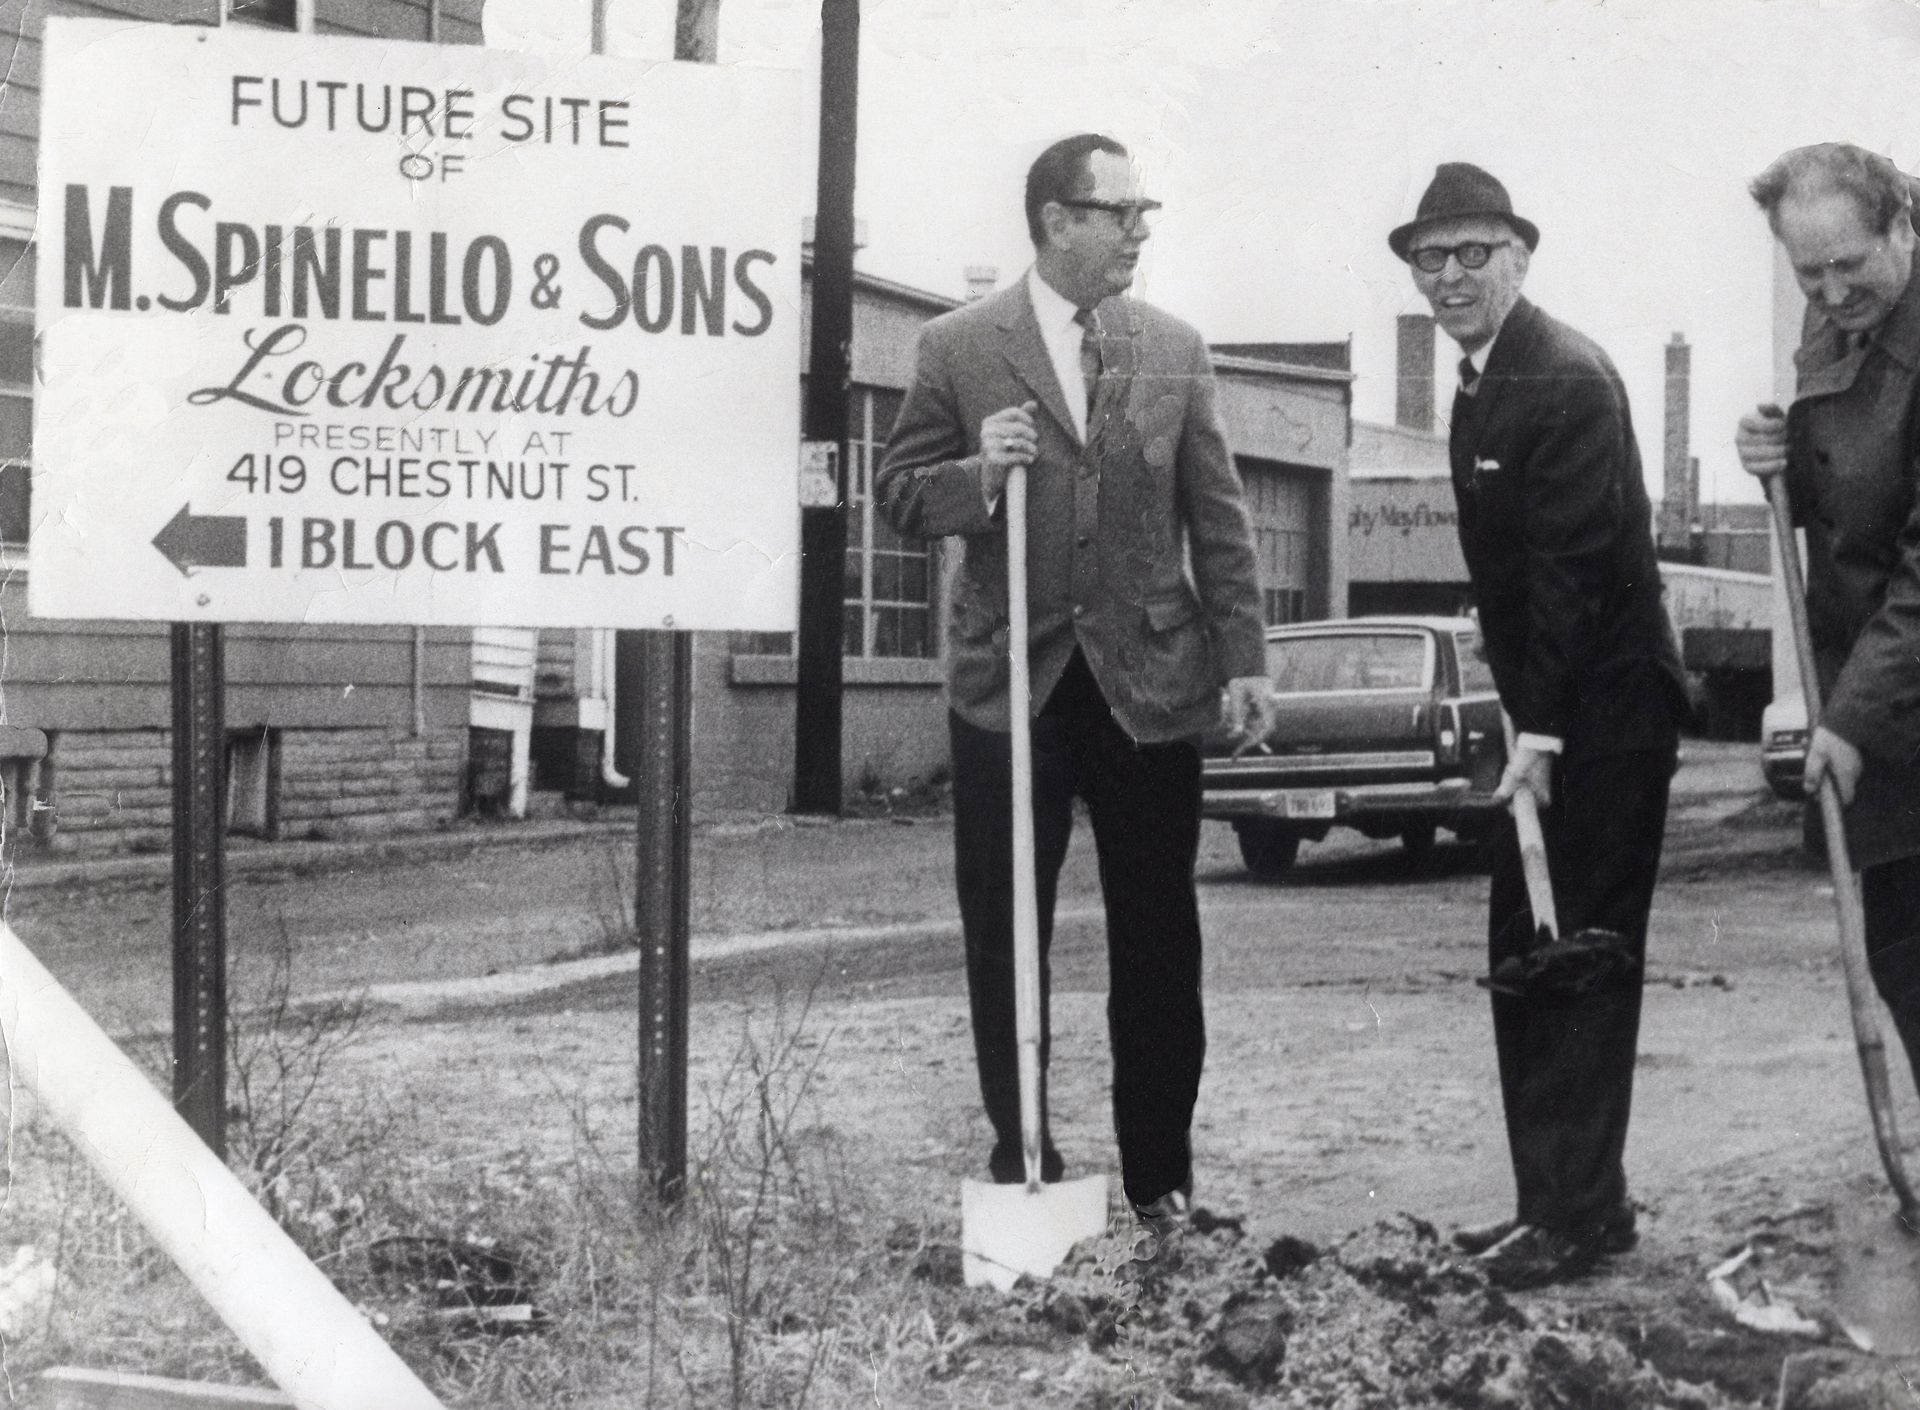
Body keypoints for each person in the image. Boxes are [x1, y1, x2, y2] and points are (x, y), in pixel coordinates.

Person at [875, 133, 1274, 1240]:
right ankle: (1028, 1169)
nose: (1141, 227)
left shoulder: (1176, 350)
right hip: (1012, 688)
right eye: (1123, 209)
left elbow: (1222, 520)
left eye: (1146, 210)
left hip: (1150, 684)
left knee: (1159, 942)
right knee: (1007, 935)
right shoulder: (958, 349)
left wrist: (1245, 661)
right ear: (1056, 219)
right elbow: (899, 494)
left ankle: (1162, 1188)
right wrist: (973, 475)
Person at [1389, 162, 1688, 1288]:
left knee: (1579, 959)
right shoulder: (1483, 381)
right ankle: (1568, 1204)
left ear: (1520, 256)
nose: (1453, 274)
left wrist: (1542, 733)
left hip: (1601, 721)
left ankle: (1568, 1217)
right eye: (1433, 257)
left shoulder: (1563, 377)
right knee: (1529, 951)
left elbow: (1571, 571)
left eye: (1475, 252)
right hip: (1557, 711)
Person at [1735, 142, 1920, 1098]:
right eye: (1810, 271)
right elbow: (1841, 501)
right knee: (1904, 956)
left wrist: (1848, 720)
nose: (1832, 290)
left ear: (1903, 225)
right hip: (1881, 703)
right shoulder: (1835, 322)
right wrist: (1773, 452)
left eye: (1850, 264)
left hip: (1891, 689)